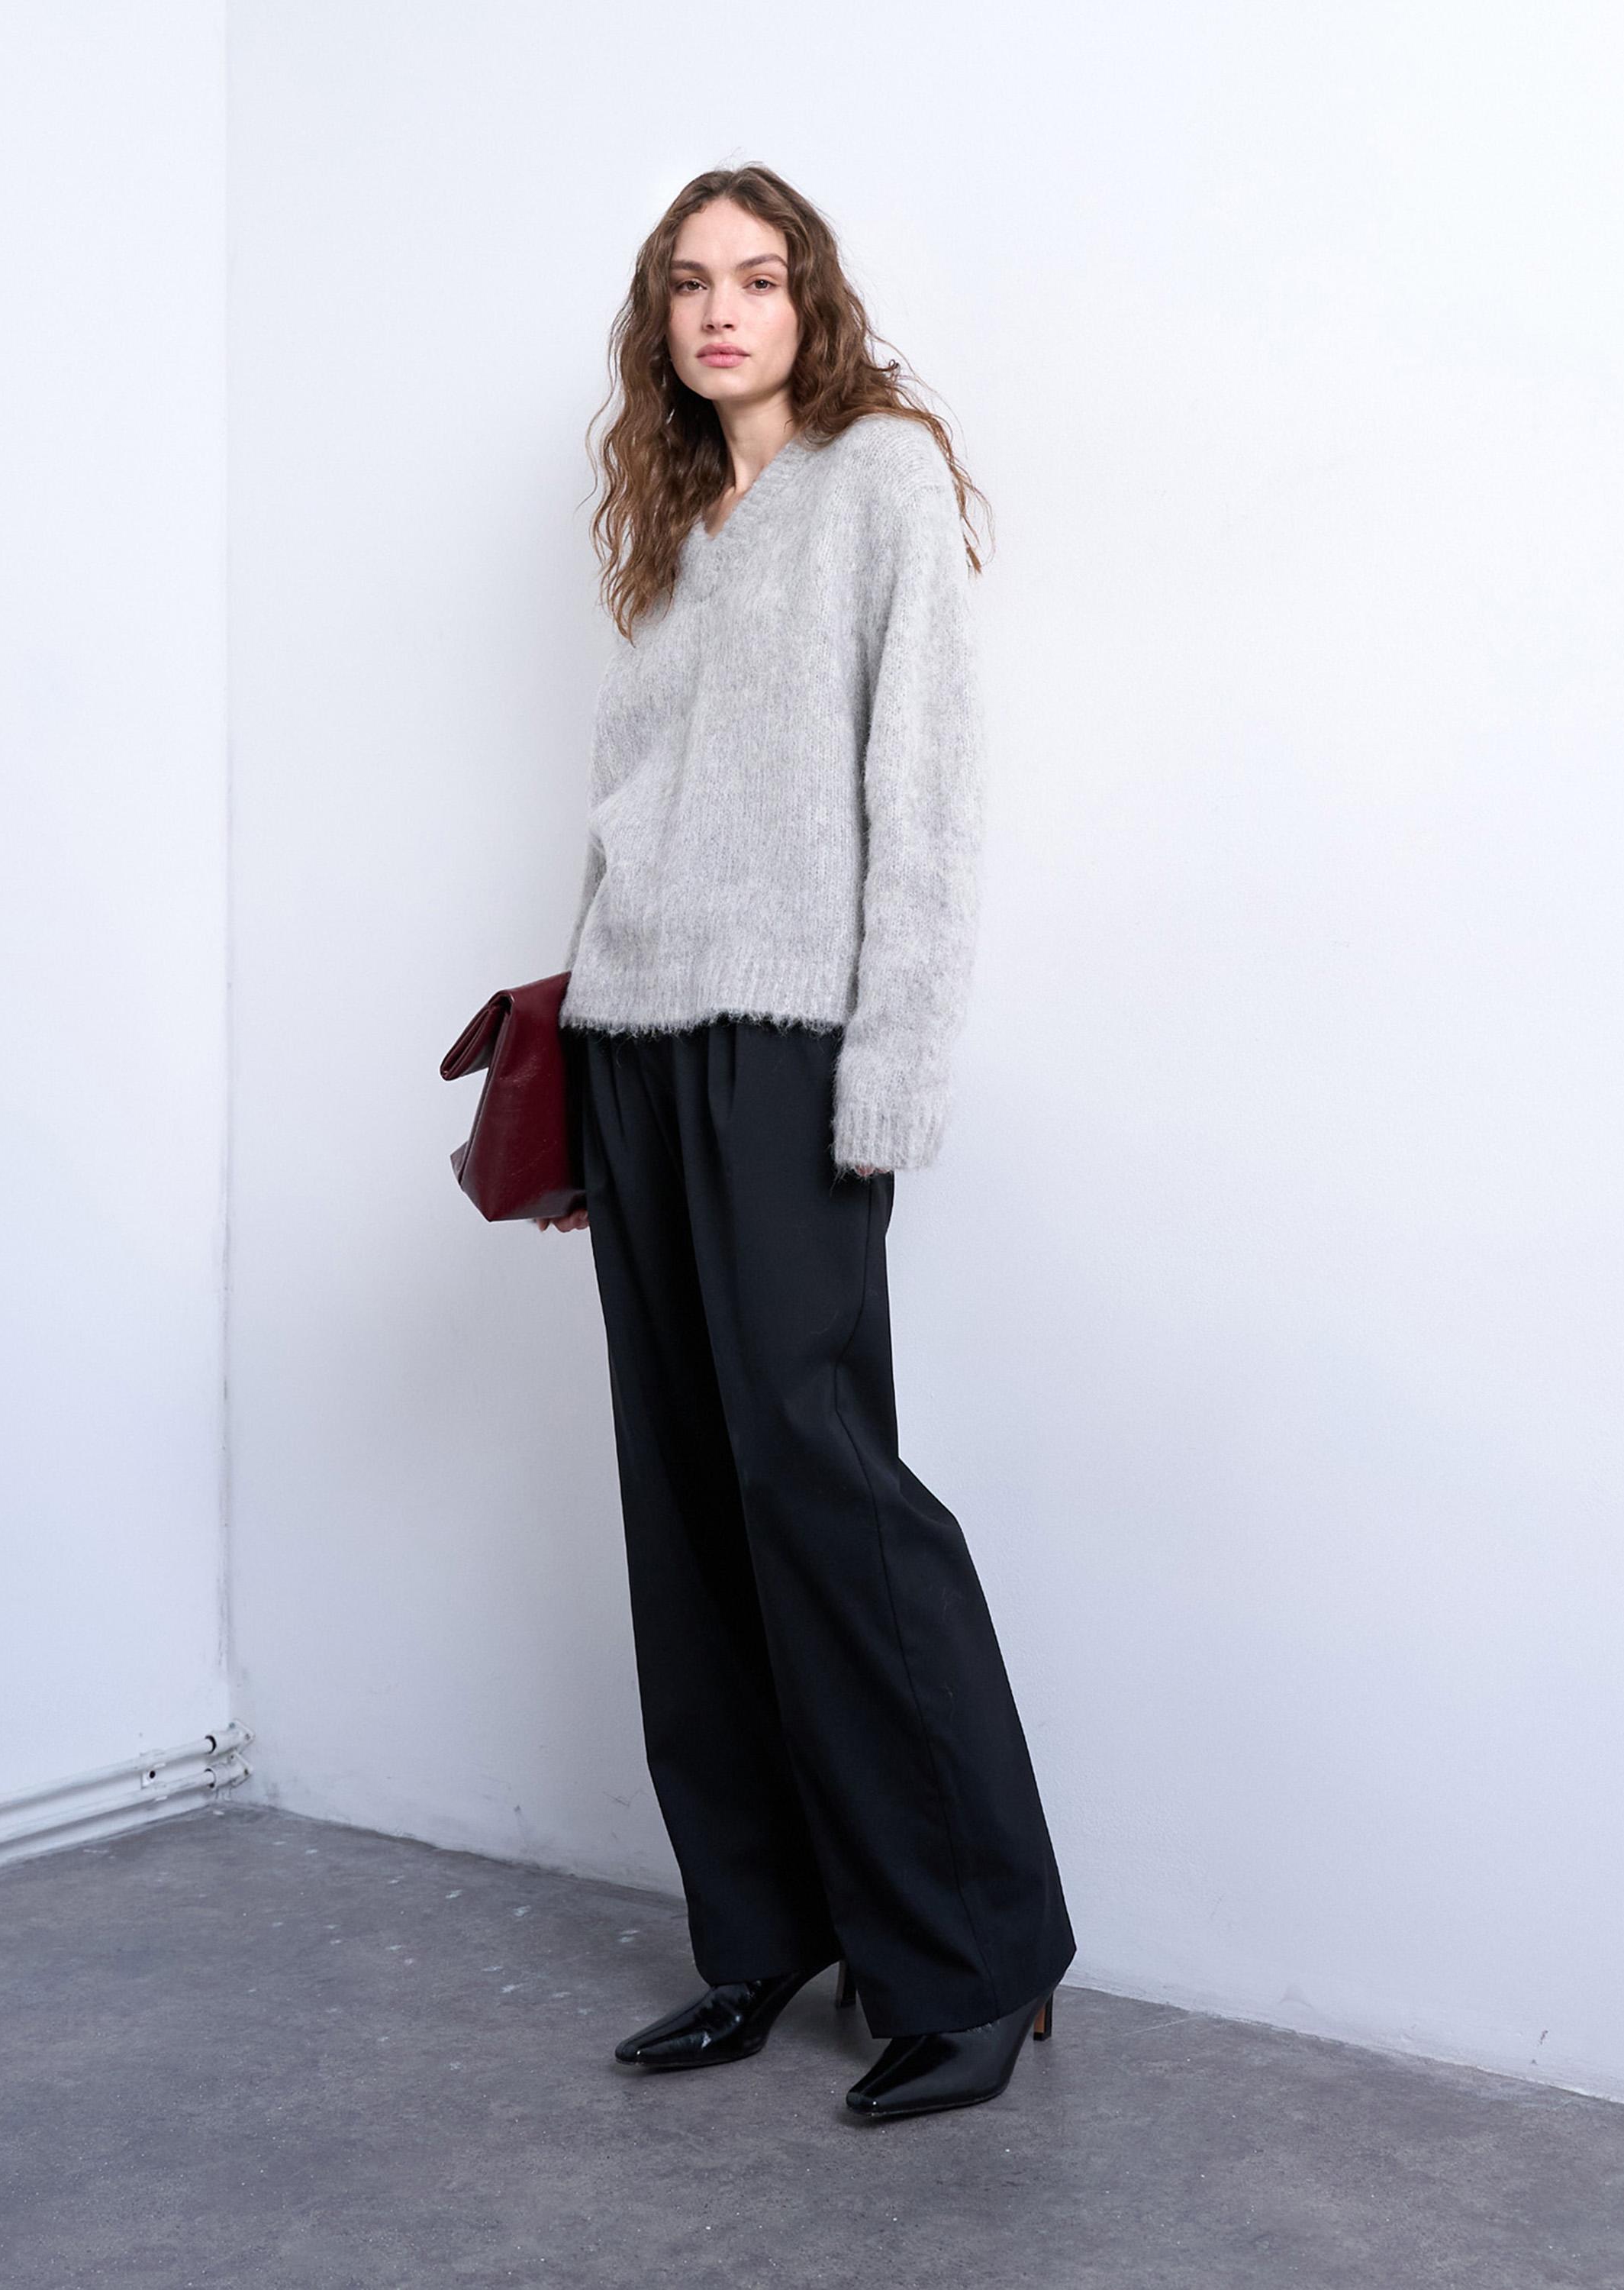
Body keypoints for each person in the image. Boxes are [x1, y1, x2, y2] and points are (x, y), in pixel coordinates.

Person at [535, 163, 1075, 2122]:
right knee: (684, 1500)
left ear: (807, 300)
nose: (720, 310)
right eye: (688, 283)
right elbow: (628, 813)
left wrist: (890, 1076)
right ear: (659, 319)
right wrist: (580, 1074)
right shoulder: (681, 520)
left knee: (821, 1480)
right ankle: (759, 1935)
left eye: (755, 278)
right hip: (636, 1045)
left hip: (787, 1050)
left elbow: (922, 796)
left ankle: (975, 1957)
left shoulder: (877, 481)